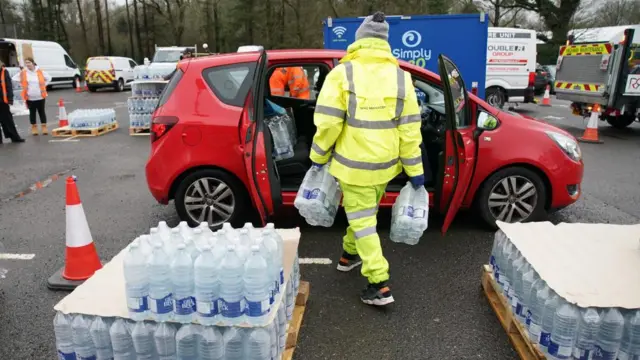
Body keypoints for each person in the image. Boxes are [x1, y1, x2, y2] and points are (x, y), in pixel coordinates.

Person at [309, 12, 424, 306]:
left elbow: (328, 124)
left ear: (358, 40)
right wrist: (414, 169)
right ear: (385, 43)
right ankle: (349, 256)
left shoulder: (342, 74)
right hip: (385, 168)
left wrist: (318, 156)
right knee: (364, 215)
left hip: (352, 167)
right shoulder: (402, 78)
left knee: (362, 221)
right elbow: (410, 129)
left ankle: (379, 282)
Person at [13, 58, 51, 136]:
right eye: (26, 63)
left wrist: (44, 85)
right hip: (30, 97)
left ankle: (44, 127)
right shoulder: (24, 72)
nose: (27, 64)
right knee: (32, 113)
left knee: (41, 112)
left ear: (33, 63)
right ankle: (34, 128)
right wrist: (22, 84)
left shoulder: (40, 71)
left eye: (29, 62)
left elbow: (49, 78)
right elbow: (14, 78)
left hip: (40, 96)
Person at [0, 62, 25, 143]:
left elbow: (9, 86)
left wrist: (10, 98)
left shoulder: (4, 71)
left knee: (8, 120)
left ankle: (14, 137)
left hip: (3, 100)